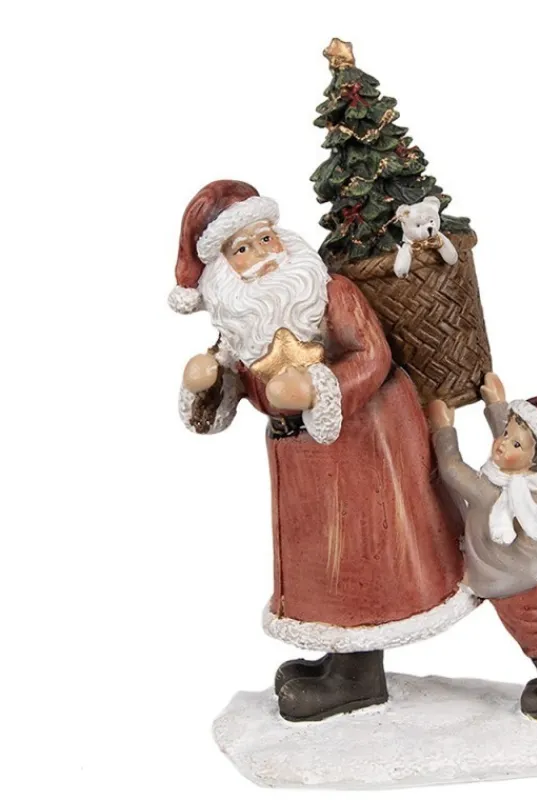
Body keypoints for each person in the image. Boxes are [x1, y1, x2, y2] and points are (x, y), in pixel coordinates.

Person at [169, 180, 475, 722]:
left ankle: (359, 677)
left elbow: (372, 356)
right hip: (301, 459)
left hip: (365, 441)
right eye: (243, 248)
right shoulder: (241, 323)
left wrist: (320, 388)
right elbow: (237, 385)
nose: (263, 255)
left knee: (360, 552)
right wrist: (210, 384)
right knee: (321, 557)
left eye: (266, 238)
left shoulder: (330, 292)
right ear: (222, 269)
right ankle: (341, 656)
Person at [428, 374, 537, 720]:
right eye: (505, 434)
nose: (501, 445)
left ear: (533, 459)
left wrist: (443, 430)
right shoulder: (525, 479)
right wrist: (496, 404)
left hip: (512, 579)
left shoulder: (490, 491)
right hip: (532, 567)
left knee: (531, 630)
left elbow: (452, 469)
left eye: (515, 445)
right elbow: (515, 435)